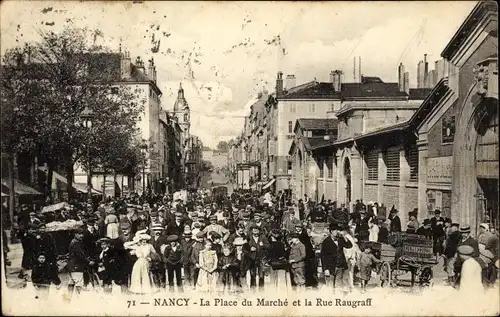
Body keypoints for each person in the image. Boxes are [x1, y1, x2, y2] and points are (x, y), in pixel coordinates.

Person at [320, 223, 353, 292]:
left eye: (338, 230)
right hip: (331, 267)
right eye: (335, 230)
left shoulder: (340, 239)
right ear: (331, 231)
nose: (337, 232)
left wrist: (344, 236)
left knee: (339, 285)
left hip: (340, 266)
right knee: (330, 285)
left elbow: (349, 245)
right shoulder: (326, 242)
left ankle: (338, 298)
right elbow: (323, 256)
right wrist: (325, 269)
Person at [67, 228, 92, 298]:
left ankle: (69, 298)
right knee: (79, 283)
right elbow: (80, 254)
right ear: (75, 234)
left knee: (71, 282)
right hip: (77, 265)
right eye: (79, 234)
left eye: (82, 234)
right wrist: (88, 261)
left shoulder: (73, 241)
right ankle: (79, 298)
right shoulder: (76, 243)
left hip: (71, 266)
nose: (81, 235)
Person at [246, 226, 269, 290]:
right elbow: (245, 247)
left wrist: (263, 245)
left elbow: (268, 246)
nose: (255, 231)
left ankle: (261, 290)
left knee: (261, 276)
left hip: (261, 259)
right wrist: (250, 249)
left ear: (259, 231)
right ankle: (253, 289)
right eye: (254, 230)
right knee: (252, 275)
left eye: (257, 230)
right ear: (252, 231)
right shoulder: (249, 238)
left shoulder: (263, 237)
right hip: (252, 259)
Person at [150, 224, 168, 288]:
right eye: (155, 230)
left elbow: (167, 247)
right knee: (154, 272)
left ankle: (163, 284)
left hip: (161, 258)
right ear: (153, 231)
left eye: (159, 230)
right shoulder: (151, 239)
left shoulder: (164, 238)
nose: (157, 231)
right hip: (153, 258)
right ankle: (157, 286)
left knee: (161, 272)